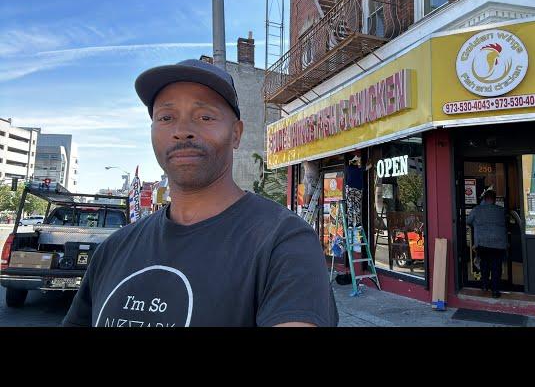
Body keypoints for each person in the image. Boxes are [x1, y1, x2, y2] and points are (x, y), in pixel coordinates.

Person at [63, 59, 338, 327]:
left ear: (236, 134)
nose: (182, 132)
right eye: (166, 117)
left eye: (205, 117)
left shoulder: (284, 243)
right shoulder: (114, 249)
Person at [466, 189, 507, 298]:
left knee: (484, 264)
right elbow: (506, 222)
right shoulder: (501, 210)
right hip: (499, 243)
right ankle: (495, 290)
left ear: (484, 199)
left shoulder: (477, 210)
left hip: (482, 243)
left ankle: (484, 285)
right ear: (494, 200)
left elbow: (468, 221)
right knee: (496, 267)